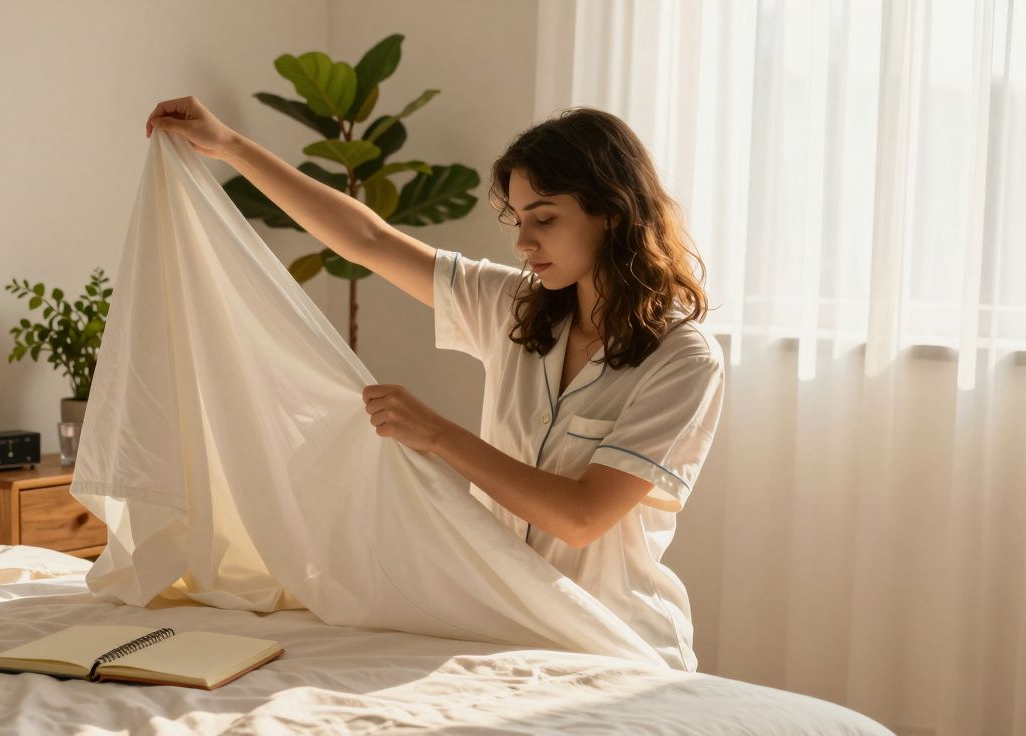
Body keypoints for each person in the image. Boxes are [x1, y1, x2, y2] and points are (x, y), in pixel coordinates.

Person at [145, 97, 725, 672]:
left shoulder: (682, 359)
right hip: (498, 625)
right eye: (518, 220)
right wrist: (230, 146)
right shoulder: (514, 309)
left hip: (613, 638)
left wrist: (438, 436)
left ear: (614, 213)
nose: (524, 243)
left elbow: (581, 518)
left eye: (544, 218)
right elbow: (368, 241)